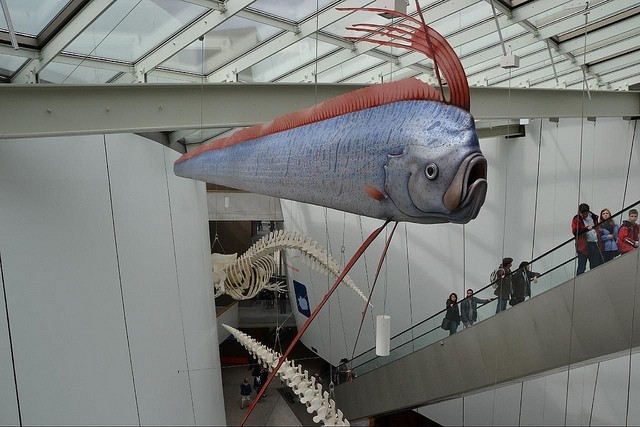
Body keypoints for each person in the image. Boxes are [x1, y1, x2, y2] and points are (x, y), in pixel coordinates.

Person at [571, 203, 603, 275]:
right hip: (582, 245)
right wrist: (586, 229)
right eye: (581, 214)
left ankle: (594, 278)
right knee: (582, 266)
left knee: (595, 264)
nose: (583, 216)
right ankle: (579, 281)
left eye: (585, 214)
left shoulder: (594, 217)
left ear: (588, 212)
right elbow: (575, 231)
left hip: (594, 243)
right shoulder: (576, 219)